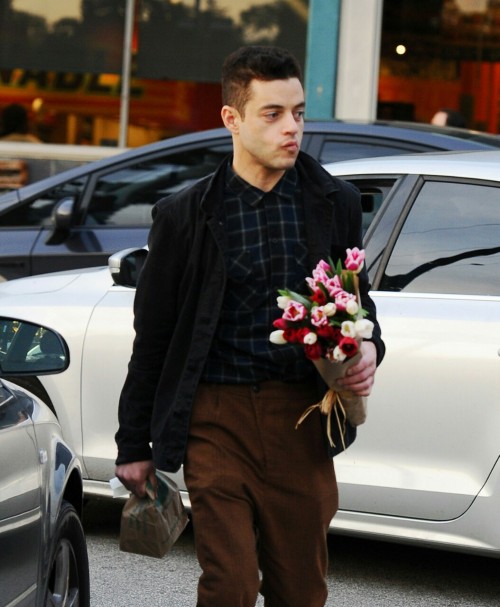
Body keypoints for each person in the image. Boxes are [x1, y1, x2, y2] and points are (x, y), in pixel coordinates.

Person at [115, 45, 385, 607]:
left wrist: (370, 349)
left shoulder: (332, 200)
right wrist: (133, 443)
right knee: (230, 584)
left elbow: (357, 301)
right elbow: (155, 338)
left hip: (302, 417)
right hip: (216, 420)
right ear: (231, 119)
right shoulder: (185, 215)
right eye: (273, 114)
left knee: (301, 590)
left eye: (299, 113)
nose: (293, 128)